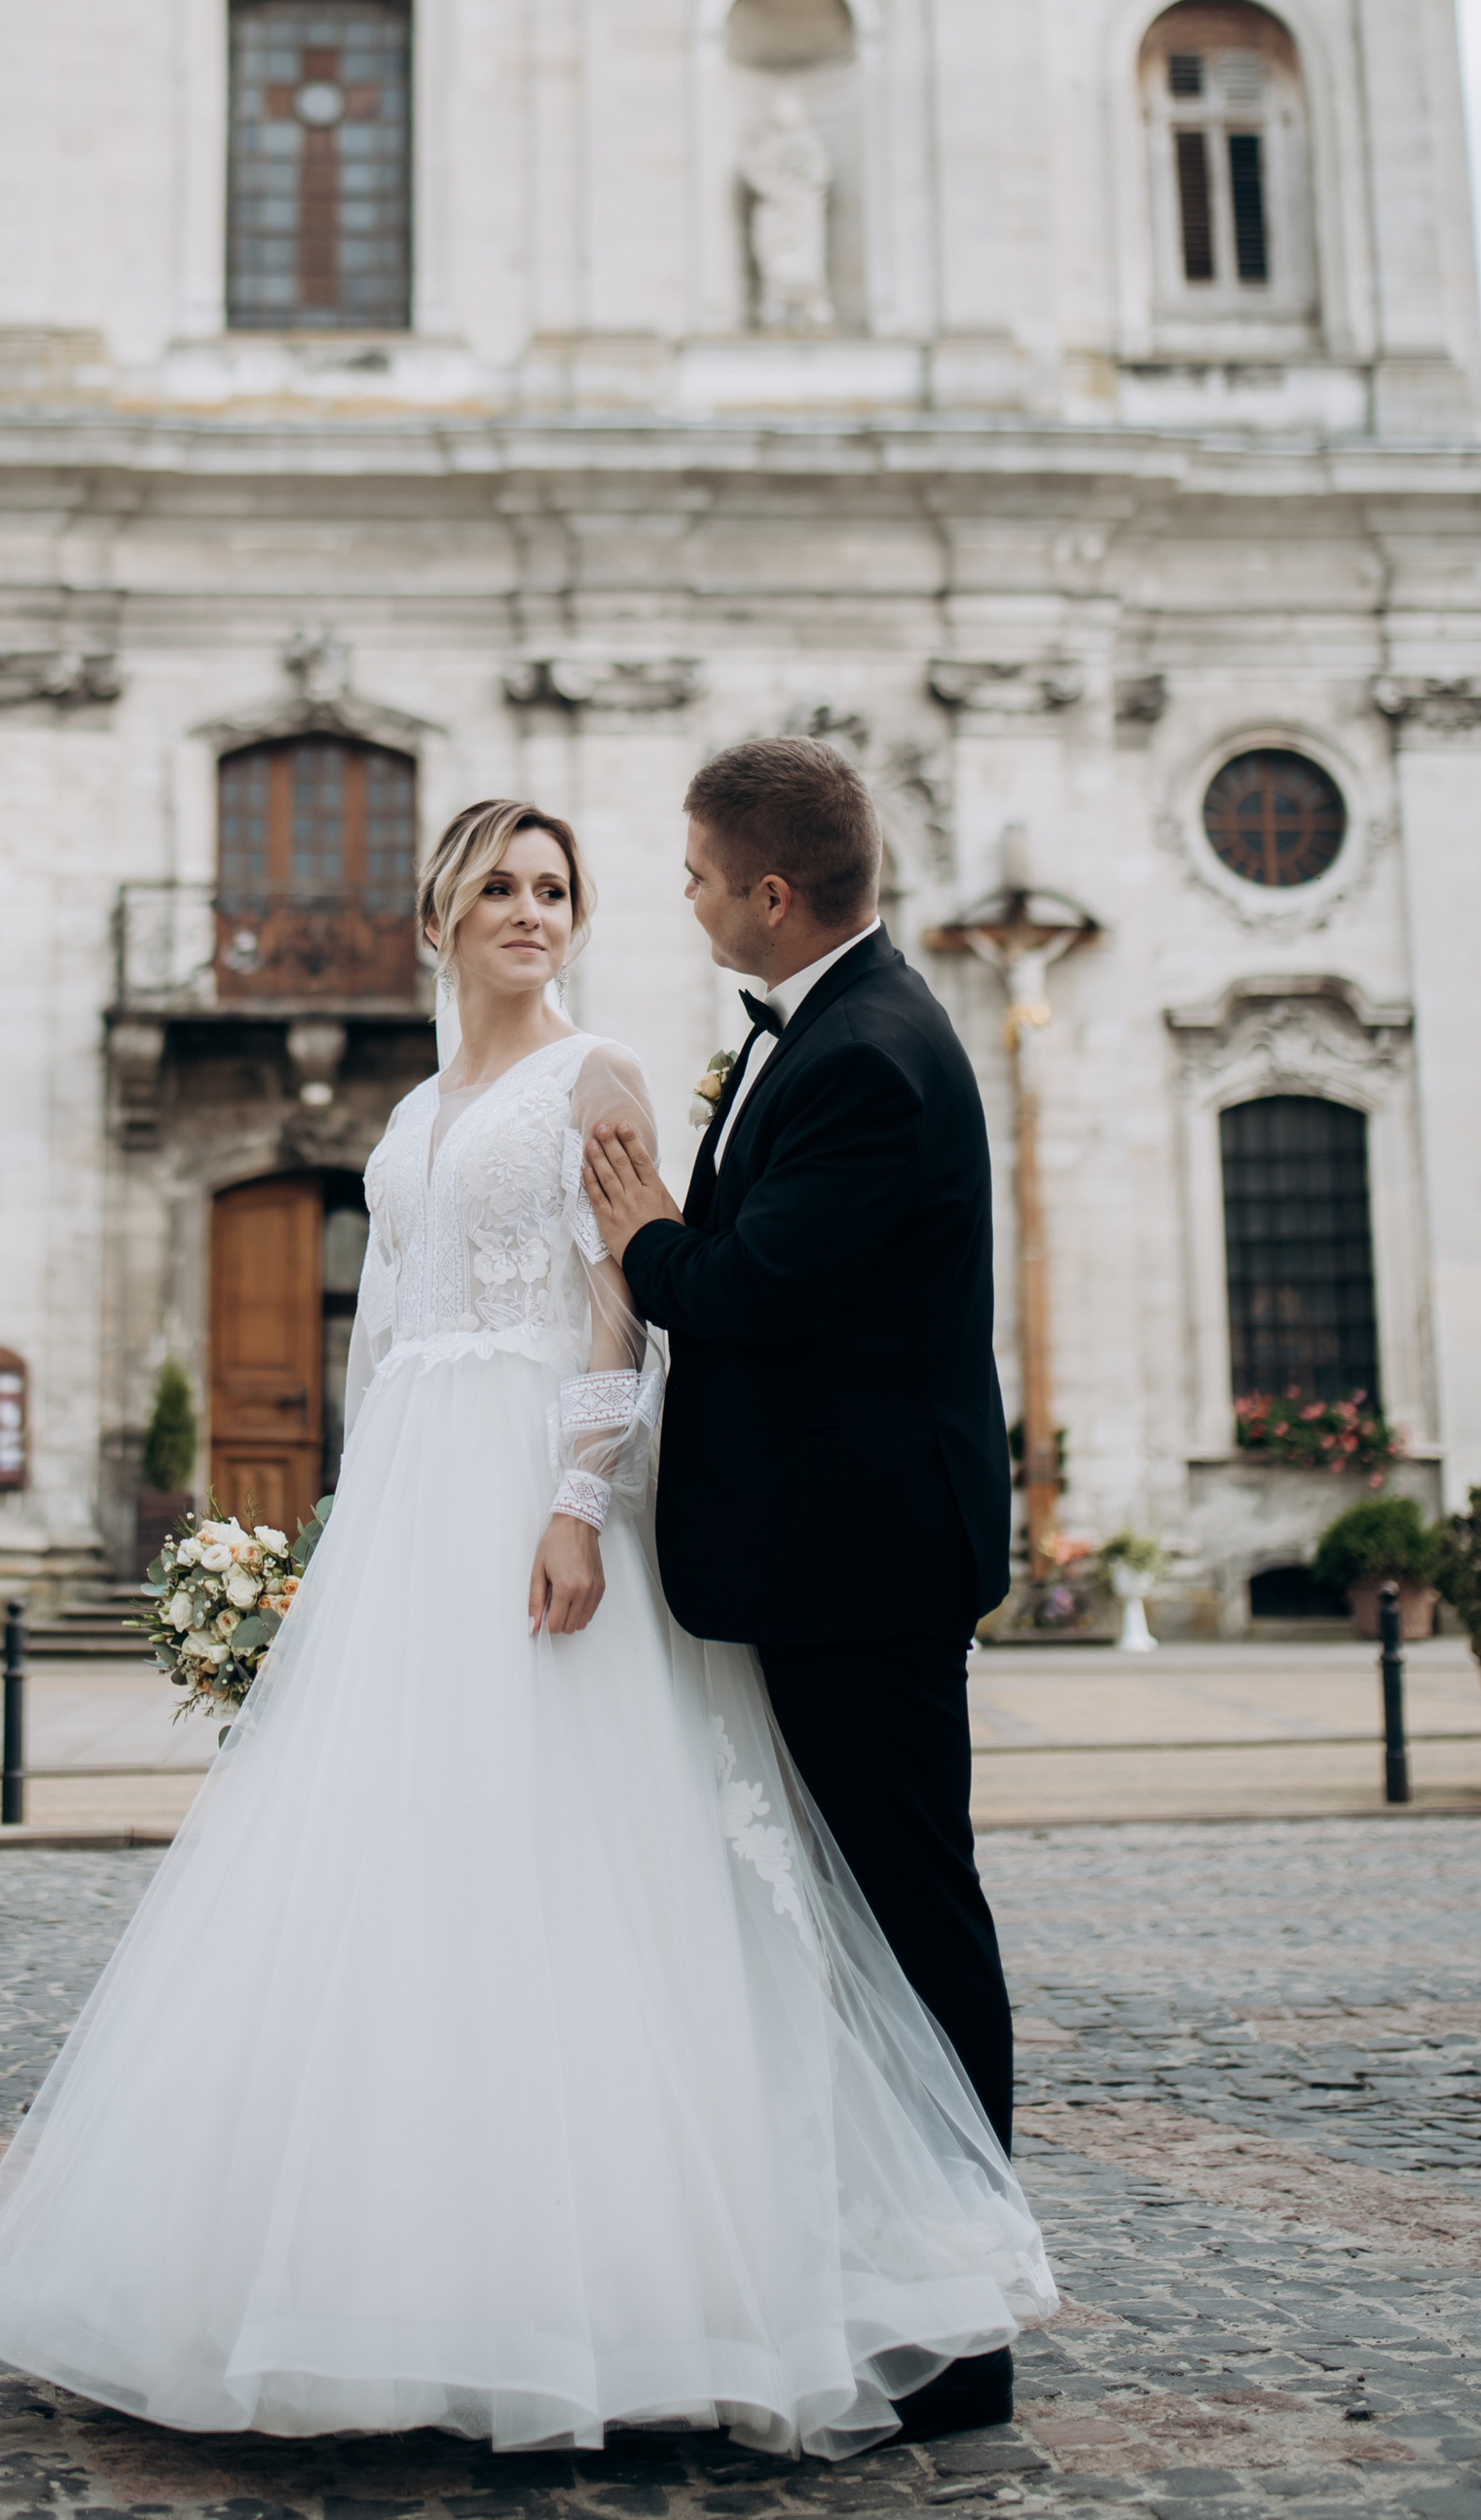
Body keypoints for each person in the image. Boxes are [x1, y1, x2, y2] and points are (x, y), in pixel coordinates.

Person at [0, 796, 1052, 2456]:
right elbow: (385, 1335)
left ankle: (664, 2286)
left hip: (539, 1488)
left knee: (582, 1866)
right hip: (417, 1505)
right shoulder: (404, 1120)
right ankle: (380, 2264)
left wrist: (580, 1498)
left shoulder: (599, 1078)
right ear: (437, 917)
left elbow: (627, 1298)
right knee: (398, 1875)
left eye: (560, 887)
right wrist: (344, 1536)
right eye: (504, 888)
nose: (538, 910)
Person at [582, 732, 1020, 2440]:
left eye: (694, 877)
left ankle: (965, 2320)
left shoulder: (869, 1056)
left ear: (770, 892)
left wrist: (641, 1237)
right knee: (862, 1928)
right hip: (831, 1556)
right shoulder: (835, 1029)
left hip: (863, 1570)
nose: (683, 901)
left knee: (915, 1930)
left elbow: (756, 1290)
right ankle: (898, 2280)